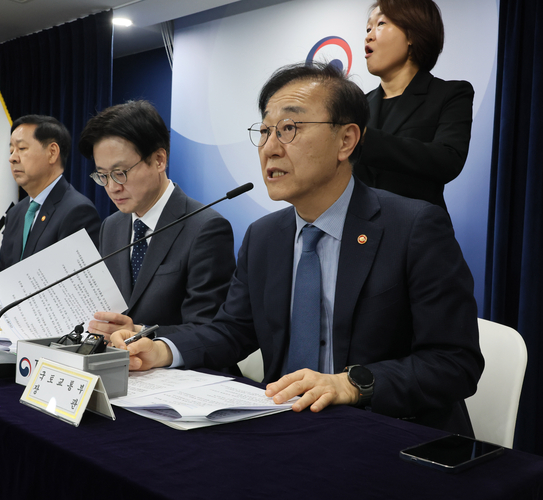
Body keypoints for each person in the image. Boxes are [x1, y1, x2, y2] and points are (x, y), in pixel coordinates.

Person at [111, 63, 484, 435]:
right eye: (264, 131)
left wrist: (351, 385)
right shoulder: (264, 237)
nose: (270, 149)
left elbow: (455, 362)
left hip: (387, 432)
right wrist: (162, 349)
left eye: (289, 128)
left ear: (346, 141)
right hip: (284, 428)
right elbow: (231, 331)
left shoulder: (414, 227)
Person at [78, 100, 236, 339]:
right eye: (103, 175)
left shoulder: (205, 228)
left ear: (159, 160)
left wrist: (139, 333)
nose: (112, 187)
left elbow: (210, 330)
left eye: (120, 173)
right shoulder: (111, 226)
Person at [355, 0, 474, 210]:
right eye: (368, 28)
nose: (369, 36)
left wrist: (365, 138)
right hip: (359, 226)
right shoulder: (358, 105)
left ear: (412, 35)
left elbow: (447, 160)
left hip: (418, 226)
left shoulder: (450, 94)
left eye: (380, 24)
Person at [0, 115, 100, 274]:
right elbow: (2, 274)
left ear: (52, 152)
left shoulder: (78, 211)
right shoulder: (15, 213)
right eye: (11, 150)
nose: (12, 158)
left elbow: (77, 281)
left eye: (21, 148)